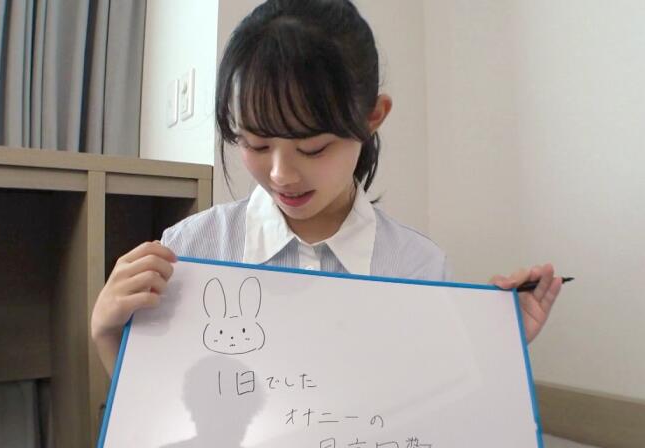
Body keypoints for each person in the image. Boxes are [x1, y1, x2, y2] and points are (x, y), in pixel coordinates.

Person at [91, 0, 562, 376]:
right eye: (256, 144)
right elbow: (159, 411)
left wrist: (495, 347)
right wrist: (107, 333)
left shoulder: (418, 268)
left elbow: (433, 414)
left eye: (313, 148)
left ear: (372, 117)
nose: (281, 174)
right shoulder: (191, 251)